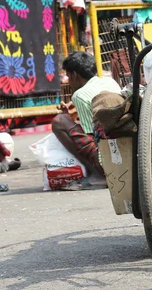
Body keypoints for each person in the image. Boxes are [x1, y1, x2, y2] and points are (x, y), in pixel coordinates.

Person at [52, 51, 121, 189]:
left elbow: (91, 137)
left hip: (107, 157)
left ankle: (98, 174)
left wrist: (69, 121)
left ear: (74, 75)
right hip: (122, 146)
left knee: (59, 121)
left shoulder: (79, 95)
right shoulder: (110, 81)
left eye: (68, 76)